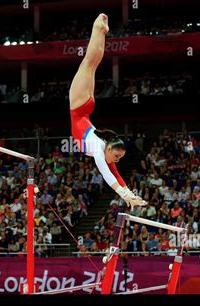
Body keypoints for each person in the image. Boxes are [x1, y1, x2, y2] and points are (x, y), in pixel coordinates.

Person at [68, 13, 146, 209]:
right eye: (117, 157)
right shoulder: (99, 147)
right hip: (80, 107)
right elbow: (108, 173)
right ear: (111, 149)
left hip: (82, 107)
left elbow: (113, 174)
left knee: (90, 64)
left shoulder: (101, 148)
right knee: (89, 64)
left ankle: (99, 30)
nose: (116, 161)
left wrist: (128, 194)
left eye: (118, 159)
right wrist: (125, 193)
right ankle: (98, 28)